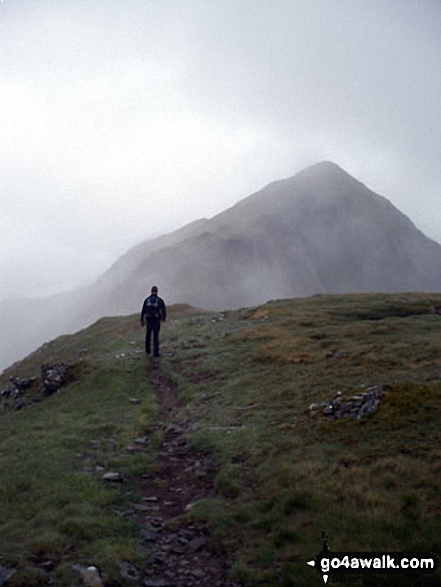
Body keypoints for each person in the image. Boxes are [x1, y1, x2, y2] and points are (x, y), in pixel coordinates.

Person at [140, 286, 166, 357]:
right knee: (155, 335)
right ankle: (156, 353)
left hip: (148, 319)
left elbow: (143, 311)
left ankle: (147, 350)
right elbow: (163, 310)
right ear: (157, 291)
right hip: (156, 319)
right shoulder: (160, 300)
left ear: (151, 291)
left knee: (148, 335)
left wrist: (142, 320)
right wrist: (163, 318)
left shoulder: (147, 300)